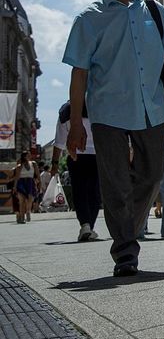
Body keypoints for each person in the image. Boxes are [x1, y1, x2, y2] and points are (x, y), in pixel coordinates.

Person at [63, 0, 164, 276]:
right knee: (115, 182)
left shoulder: (154, 10)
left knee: (153, 174)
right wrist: (76, 124)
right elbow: (79, 74)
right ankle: (125, 252)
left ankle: (125, 229)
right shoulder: (88, 19)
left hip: (152, 108)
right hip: (107, 113)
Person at [53, 102, 100, 240]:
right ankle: (90, 226)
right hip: (97, 156)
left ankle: (85, 225)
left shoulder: (66, 111)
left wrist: (54, 164)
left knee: (79, 192)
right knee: (94, 193)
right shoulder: (97, 105)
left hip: (76, 156)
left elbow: (59, 141)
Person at [11, 152, 35, 224]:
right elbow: (17, 177)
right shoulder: (19, 166)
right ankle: (22, 218)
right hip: (21, 183)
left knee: (30, 199)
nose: (30, 156)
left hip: (30, 182)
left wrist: (38, 183)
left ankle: (28, 211)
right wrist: (15, 187)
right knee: (22, 201)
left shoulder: (33, 163)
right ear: (24, 157)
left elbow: (36, 174)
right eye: (28, 155)